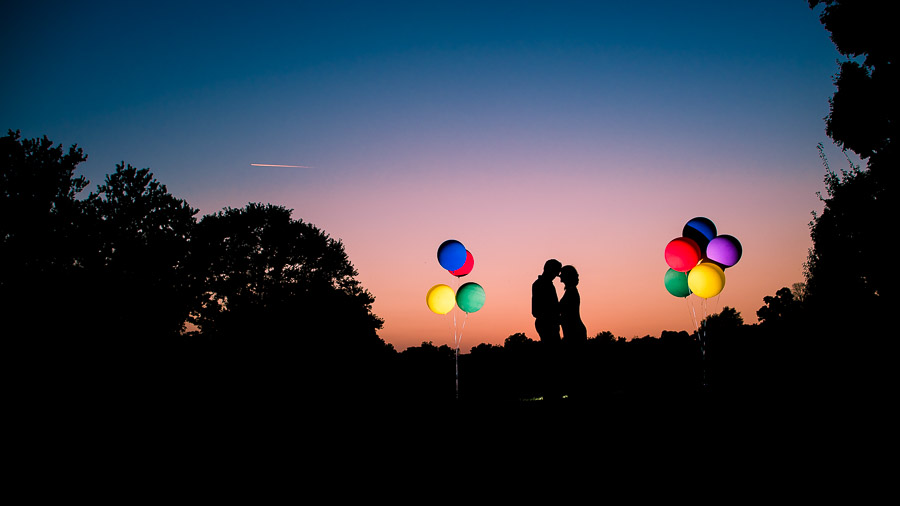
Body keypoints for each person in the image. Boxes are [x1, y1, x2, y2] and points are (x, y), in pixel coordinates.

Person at [532, 259, 562, 401]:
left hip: (548, 322)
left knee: (552, 358)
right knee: (551, 358)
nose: (556, 276)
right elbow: (536, 310)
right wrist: (552, 314)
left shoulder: (545, 284)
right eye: (555, 272)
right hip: (546, 323)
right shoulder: (541, 285)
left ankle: (552, 392)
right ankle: (551, 393)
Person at [559, 265, 587, 343]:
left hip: (574, 330)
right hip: (572, 330)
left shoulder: (571, 292)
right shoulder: (570, 291)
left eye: (562, 274)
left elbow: (567, 313)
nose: (560, 276)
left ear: (567, 276)